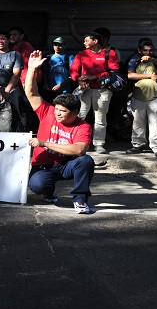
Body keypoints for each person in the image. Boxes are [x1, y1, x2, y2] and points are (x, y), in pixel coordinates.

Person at [24, 50, 94, 214]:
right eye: (56, 110)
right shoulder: (47, 112)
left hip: (66, 165)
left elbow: (79, 150)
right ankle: (48, 192)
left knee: (86, 161)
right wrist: (32, 69)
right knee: (37, 186)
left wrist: (44, 143)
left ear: (75, 112)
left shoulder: (83, 126)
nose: (58, 113)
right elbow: (31, 93)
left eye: (63, 111)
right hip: (44, 166)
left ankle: (80, 200)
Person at [69, 31, 120, 154]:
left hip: (102, 90)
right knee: (80, 115)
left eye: (86, 40)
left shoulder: (109, 53)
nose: (84, 42)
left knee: (100, 118)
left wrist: (94, 77)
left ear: (95, 41)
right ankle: (77, 142)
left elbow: (114, 71)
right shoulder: (81, 54)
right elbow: (73, 70)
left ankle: (99, 144)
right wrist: (79, 79)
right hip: (84, 89)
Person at [125, 40, 157, 159]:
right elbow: (129, 75)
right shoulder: (134, 60)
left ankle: (156, 147)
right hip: (138, 96)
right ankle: (137, 145)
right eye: (145, 50)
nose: (148, 53)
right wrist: (149, 76)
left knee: (156, 123)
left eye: (150, 50)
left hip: (156, 97)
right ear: (139, 51)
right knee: (138, 122)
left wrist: (152, 60)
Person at [42, 36, 74, 102]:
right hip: (51, 89)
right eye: (55, 45)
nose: (57, 47)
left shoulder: (69, 58)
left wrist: (60, 85)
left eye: (60, 45)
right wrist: (45, 83)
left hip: (65, 90)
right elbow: (45, 72)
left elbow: (73, 75)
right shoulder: (48, 57)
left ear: (65, 46)